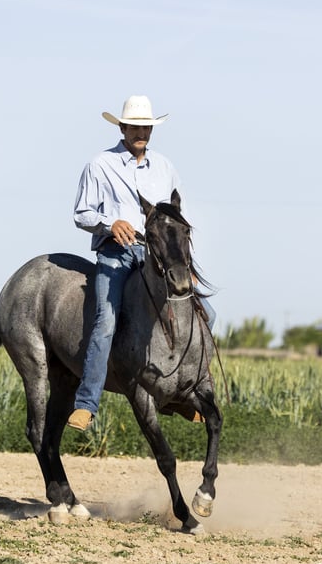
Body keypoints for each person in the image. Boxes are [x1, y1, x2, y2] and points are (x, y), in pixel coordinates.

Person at [68, 95, 214, 431]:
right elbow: (81, 213)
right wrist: (109, 223)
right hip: (116, 253)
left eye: (146, 127)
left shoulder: (165, 168)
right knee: (106, 321)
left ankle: (184, 394)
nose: (141, 133)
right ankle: (86, 404)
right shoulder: (100, 165)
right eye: (135, 126)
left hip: (158, 257)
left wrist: (184, 263)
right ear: (121, 127)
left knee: (209, 314)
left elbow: (180, 219)